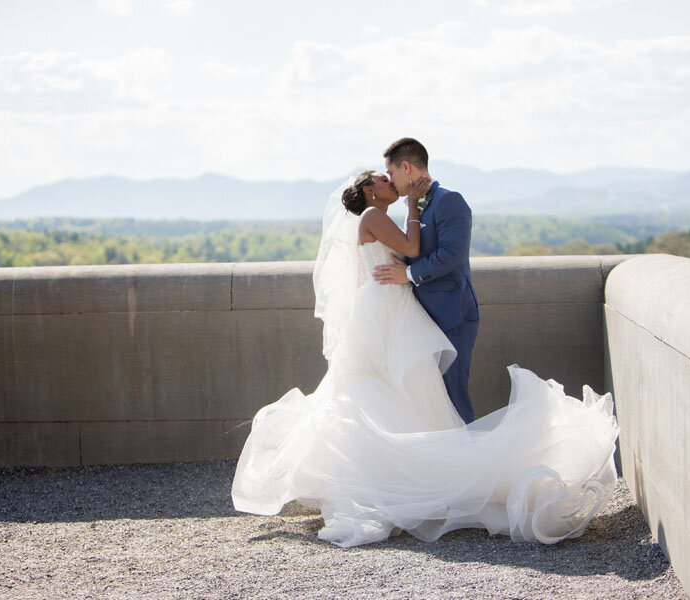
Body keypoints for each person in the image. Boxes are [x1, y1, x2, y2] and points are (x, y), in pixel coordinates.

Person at [231, 150, 619, 549]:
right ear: (369, 190)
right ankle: (412, 480)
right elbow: (413, 250)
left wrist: (410, 227)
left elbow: (402, 257)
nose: (389, 182)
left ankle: (415, 475)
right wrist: (415, 205)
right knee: (390, 388)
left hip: (392, 307)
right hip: (386, 311)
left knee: (409, 390)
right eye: (382, 179)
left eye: (389, 175)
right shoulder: (372, 216)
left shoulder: (391, 215)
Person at [373, 138, 478, 423]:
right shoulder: (415, 206)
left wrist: (406, 274)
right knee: (429, 402)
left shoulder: (449, 201)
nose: (391, 181)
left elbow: (452, 255)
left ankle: (468, 464)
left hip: (451, 314)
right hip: (420, 318)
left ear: (405, 167)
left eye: (392, 173)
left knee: (452, 396)